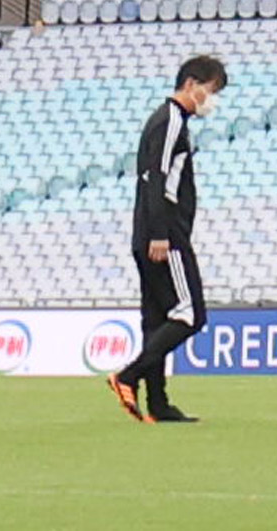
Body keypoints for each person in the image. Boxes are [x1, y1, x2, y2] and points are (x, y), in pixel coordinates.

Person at [112, 54, 221, 425]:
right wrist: (160, 232)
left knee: (156, 318)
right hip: (164, 232)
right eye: (211, 90)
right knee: (191, 314)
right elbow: (156, 178)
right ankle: (128, 375)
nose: (212, 99)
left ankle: (158, 402)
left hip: (148, 229)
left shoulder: (168, 121)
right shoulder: (171, 120)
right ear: (192, 85)